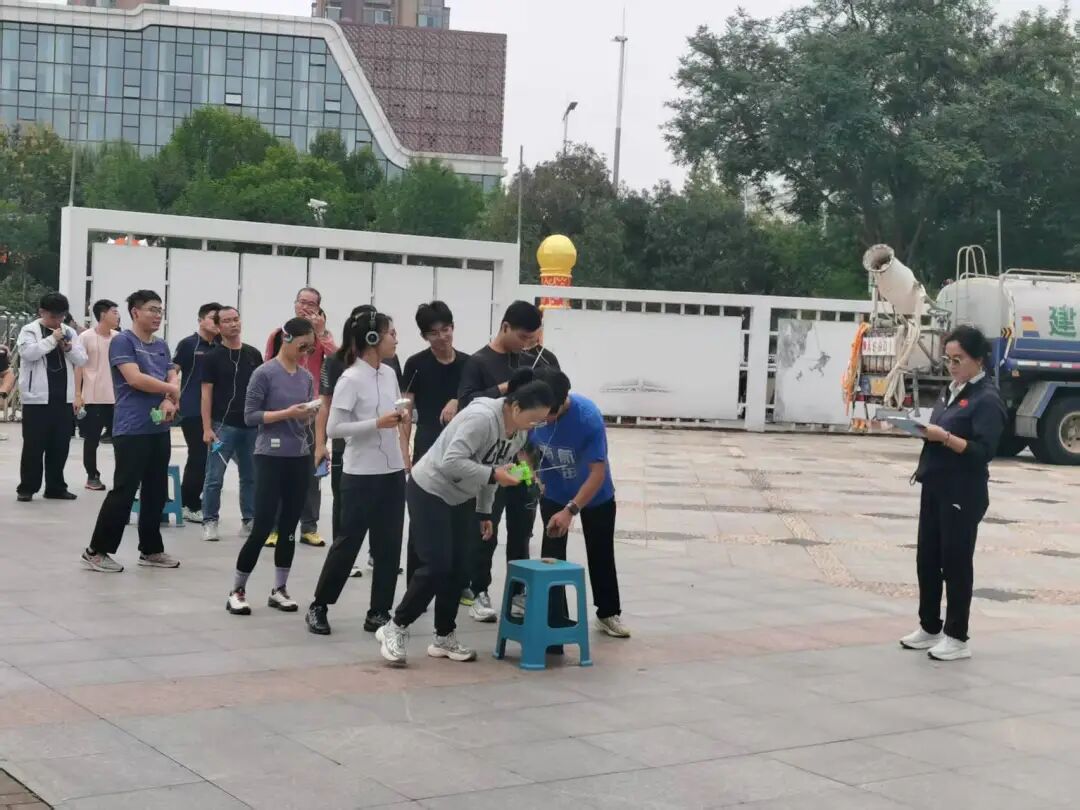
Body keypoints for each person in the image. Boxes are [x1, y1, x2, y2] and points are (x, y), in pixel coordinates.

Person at [376, 369, 556, 666]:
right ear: (515, 407)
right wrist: (493, 474)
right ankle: (395, 626)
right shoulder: (481, 419)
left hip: (462, 497)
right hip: (430, 488)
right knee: (437, 565)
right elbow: (452, 462)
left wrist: (484, 511)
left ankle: (444, 636)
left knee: (460, 569)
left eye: (541, 421)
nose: (534, 426)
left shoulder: (518, 433)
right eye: (533, 418)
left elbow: (495, 467)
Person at [899, 325, 1007, 662]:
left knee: (956, 563)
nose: (951, 366)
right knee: (928, 560)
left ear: (978, 360)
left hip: (962, 492)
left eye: (958, 359)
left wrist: (944, 437)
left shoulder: (986, 399)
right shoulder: (952, 390)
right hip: (935, 485)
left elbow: (983, 451)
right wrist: (922, 431)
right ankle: (929, 626)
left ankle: (957, 636)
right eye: (948, 359)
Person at [306, 310, 409, 636]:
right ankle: (319, 605)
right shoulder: (350, 379)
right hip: (361, 474)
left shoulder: (389, 373)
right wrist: (376, 423)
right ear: (373, 339)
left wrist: (401, 420)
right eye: (391, 333)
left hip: (392, 471)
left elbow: (393, 412)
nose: (396, 339)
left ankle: (379, 611)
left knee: (389, 545)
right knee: (348, 542)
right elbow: (335, 428)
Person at [457, 300, 545, 621]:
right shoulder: (479, 362)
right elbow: (466, 402)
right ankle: (479, 590)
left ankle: (519, 593)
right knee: (486, 526)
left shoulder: (535, 360)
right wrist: (508, 388)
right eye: (522, 337)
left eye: (532, 339)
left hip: (524, 459)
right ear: (505, 327)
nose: (526, 345)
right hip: (492, 461)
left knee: (522, 531)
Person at [81, 290, 180, 573]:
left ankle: (150, 549)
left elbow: (172, 372)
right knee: (125, 490)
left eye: (160, 310)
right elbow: (135, 379)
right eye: (152, 309)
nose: (157, 315)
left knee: (156, 490)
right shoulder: (123, 341)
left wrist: (168, 398)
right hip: (132, 427)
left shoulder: (161, 345)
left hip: (158, 427)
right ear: (135, 312)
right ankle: (96, 551)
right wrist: (171, 390)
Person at [530, 368, 630, 646]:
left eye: (548, 414)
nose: (543, 420)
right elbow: (525, 447)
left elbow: (598, 473)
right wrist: (532, 476)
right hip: (553, 491)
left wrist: (571, 510)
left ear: (562, 402)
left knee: (600, 552)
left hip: (594, 494)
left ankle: (608, 613)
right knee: (552, 555)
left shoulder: (588, 418)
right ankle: (554, 616)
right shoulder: (534, 411)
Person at [226, 317, 318, 615]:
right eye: (302, 346)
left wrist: (308, 414)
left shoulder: (305, 377)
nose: (305, 352)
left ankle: (279, 588)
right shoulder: (264, 373)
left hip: (298, 456)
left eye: (310, 348)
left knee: (289, 526)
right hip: (269, 456)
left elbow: (304, 415)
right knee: (263, 525)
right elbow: (251, 416)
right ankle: (237, 589)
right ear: (286, 339)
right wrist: (286, 413)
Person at [402, 301, 469, 583]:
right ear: (424, 336)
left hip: (462, 451)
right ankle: (416, 581)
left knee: (459, 518)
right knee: (422, 519)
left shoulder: (469, 364)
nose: (442, 337)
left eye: (446, 329)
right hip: (426, 448)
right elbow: (405, 413)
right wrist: (405, 455)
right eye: (434, 332)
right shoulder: (415, 365)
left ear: (453, 328)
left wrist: (458, 400)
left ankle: (457, 583)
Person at [264, 287, 336, 547]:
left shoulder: (323, 337)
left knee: (312, 470)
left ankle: (309, 527)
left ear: (319, 309)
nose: (305, 307)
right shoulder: (279, 334)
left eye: (311, 304)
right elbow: (267, 366)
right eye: (301, 302)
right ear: (294, 304)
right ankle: (274, 527)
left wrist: (321, 333)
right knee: (278, 471)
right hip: (283, 411)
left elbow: (338, 361)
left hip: (313, 411)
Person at [16, 292, 88, 502]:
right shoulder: (29, 330)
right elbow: (29, 353)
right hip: (37, 399)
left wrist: (68, 348)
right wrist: (52, 339)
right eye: (53, 316)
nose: (58, 321)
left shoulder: (69, 331)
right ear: (42, 312)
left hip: (63, 398)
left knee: (60, 445)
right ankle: (27, 487)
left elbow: (82, 359)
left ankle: (55, 487)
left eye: (61, 316)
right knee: (33, 446)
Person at [200, 306, 262, 542]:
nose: (233, 324)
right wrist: (207, 428)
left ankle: (249, 519)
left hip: (251, 426)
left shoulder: (253, 354)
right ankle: (210, 521)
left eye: (236, 319)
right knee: (214, 477)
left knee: (250, 476)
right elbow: (206, 394)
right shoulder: (211, 357)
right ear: (218, 327)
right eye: (227, 321)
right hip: (222, 426)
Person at [172, 302, 222, 523]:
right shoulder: (188, 344)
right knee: (198, 456)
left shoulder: (221, 346)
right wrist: (171, 398)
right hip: (192, 409)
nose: (217, 323)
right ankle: (188, 503)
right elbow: (173, 372)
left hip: (216, 410)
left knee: (211, 459)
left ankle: (195, 500)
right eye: (212, 318)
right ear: (201, 320)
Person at [74, 299, 120, 491]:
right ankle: (92, 475)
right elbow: (78, 366)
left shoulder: (119, 338)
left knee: (121, 440)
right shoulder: (85, 337)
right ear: (102, 314)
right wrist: (78, 394)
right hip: (93, 398)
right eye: (114, 312)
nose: (118, 316)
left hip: (116, 398)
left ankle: (123, 477)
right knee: (91, 440)